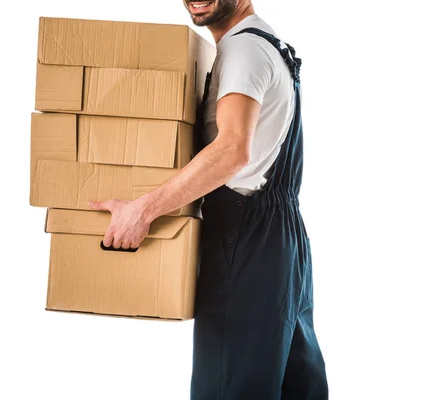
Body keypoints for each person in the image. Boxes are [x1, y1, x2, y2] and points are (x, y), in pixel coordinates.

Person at [89, 0, 329, 398]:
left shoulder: (244, 51)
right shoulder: (269, 43)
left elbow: (232, 150)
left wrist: (143, 210)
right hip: (282, 242)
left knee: (228, 387)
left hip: (248, 240)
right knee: (293, 387)